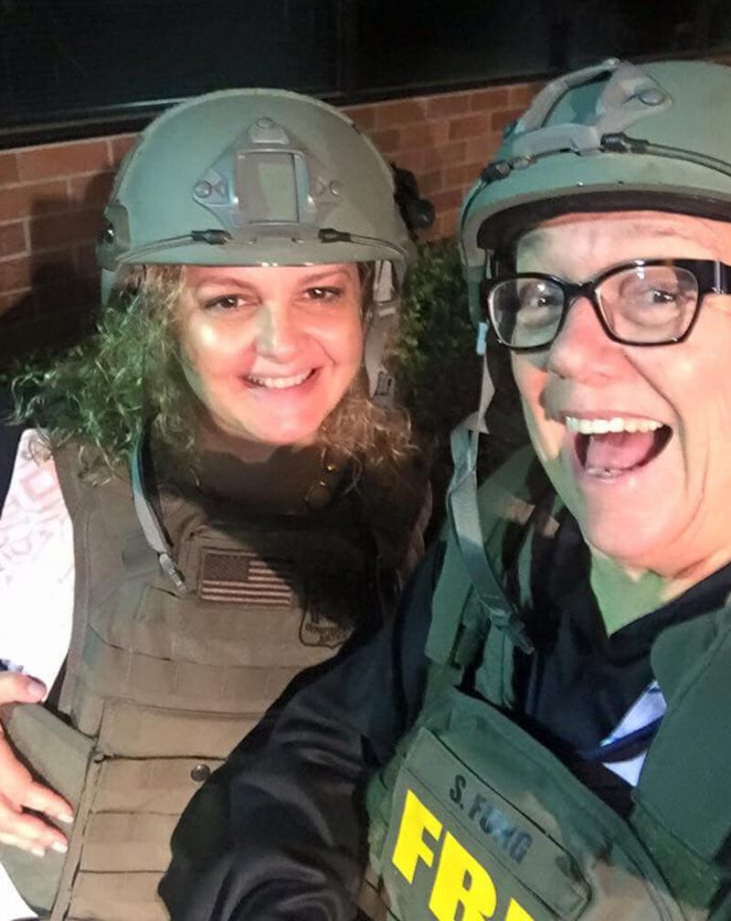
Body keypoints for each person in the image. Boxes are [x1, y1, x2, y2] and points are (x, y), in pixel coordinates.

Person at [166, 57, 731, 921]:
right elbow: (315, 754)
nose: (570, 354)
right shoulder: (508, 547)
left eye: (658, 289)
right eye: (541, 293)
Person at [0, 88, 432, 921]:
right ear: (159, 320)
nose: (282, 343)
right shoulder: (33, 480)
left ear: (369, 310)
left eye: (320, 293)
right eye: (228, 299)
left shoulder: (426, 517)